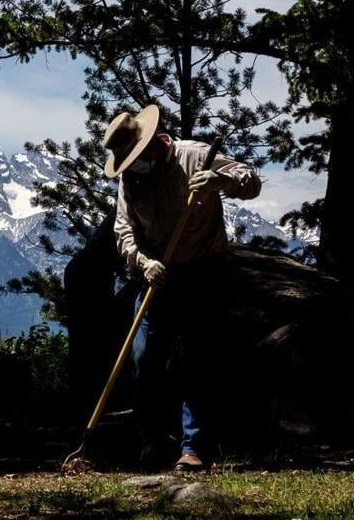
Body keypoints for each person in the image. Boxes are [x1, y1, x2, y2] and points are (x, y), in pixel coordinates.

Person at [105, 105, 261, 472]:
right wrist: (142, 261)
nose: (132, 168)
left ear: (153, 145)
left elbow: (250, 181)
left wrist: (221, 182)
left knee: (198, 358)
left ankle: (194, 447)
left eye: (135, 159)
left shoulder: (195, 156)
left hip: (203, 271)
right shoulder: (130, 181)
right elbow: (123, 230)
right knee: (145, 358)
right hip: (157, 275)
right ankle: (150, 443)